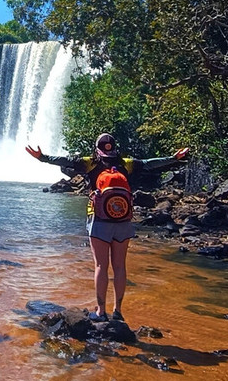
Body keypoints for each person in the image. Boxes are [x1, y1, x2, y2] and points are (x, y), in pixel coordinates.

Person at [26, 133, 190, 324]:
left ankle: (101, 311)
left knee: (101, 266)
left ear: (97, 148)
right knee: (120, 266)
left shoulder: (90, 163)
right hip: (123, 220)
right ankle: (118, 311)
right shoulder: (125, 163)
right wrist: (172, 158)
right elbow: (148, 163)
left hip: (99, 219)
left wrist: (42, 157)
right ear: (114, 147)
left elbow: (65, 161)